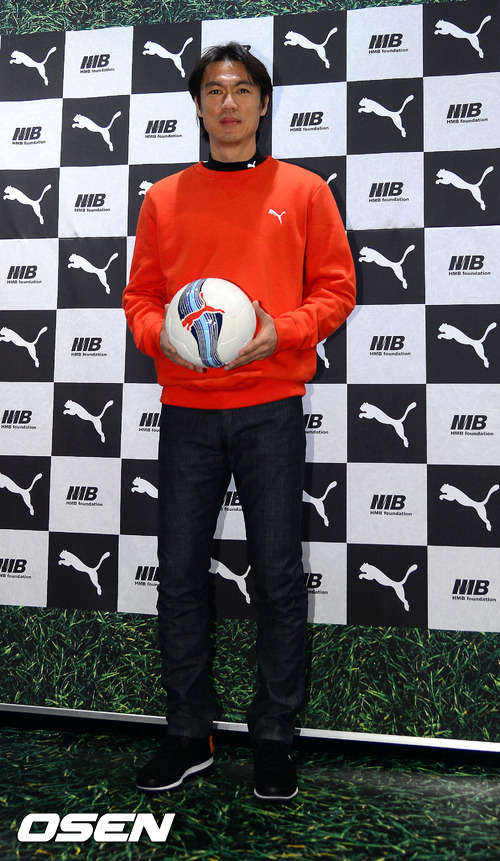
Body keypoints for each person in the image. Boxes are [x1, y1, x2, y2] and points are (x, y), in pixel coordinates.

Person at [123, 41, 356, 801]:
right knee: (180, 577)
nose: (229, 102)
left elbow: (336, 289)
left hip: (270, 410)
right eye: (216, 90)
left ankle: (274, 738)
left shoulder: (305, 190)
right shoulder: (163, 199)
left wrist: (280, 331)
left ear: (263, 103)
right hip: (187, 413)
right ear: (198, 105)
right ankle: (187, 732)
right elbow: (141, 297)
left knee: (279, 577)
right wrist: (159, 336)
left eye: (243, 89)